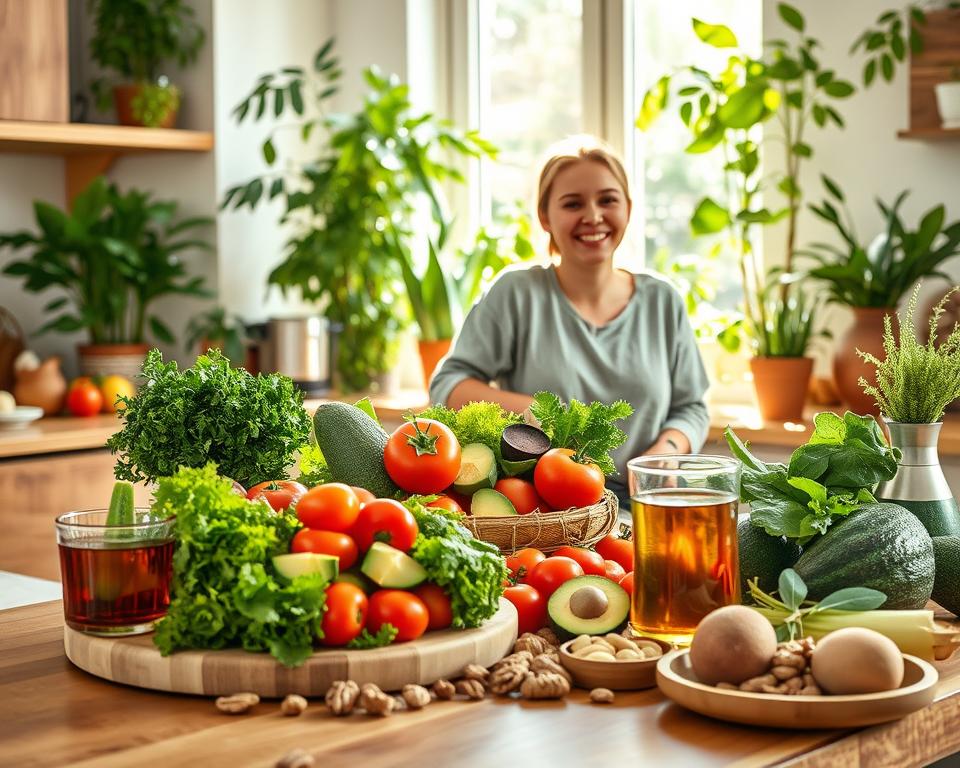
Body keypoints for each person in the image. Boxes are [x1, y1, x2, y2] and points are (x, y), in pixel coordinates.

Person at [428, 135, 710, 506]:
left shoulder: (662, 301)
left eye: (607, 200)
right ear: (545, 216)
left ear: (628, 207)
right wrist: (532, 410)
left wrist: (665, 453)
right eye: (573, 203)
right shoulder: (516, 294)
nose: (593, 216)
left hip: (646, 501)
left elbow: (691, 406)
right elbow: (447, 385)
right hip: (546, 506)